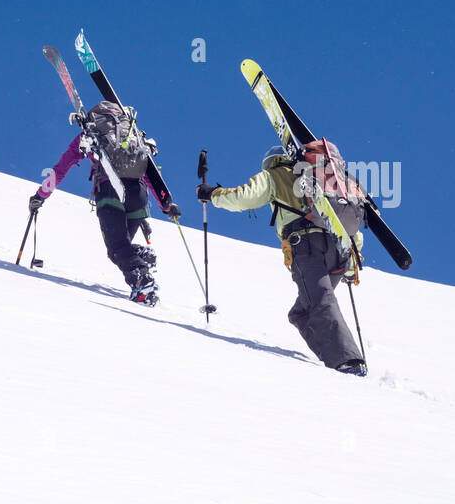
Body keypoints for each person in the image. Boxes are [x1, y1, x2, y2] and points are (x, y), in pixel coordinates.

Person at [198, 145, 367, 375]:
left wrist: (212, 194)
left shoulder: (276, 174)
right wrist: (349, 266)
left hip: (306, 246)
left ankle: (348, 361)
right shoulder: (322, 182)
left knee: (320, 302)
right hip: (338, 253)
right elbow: (351, 230)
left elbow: (243, 197)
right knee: (302, 312)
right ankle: (333, 355)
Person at [29, 106, 180, 305]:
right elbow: (149, 174)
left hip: (110, 191)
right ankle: (141, 256)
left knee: (117, 249)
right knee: (121, 247)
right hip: (138, 197)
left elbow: (61, 169)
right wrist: (166, 206)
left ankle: (143, 284)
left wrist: (41, 195)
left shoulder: (91, 136)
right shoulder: (133, 135)